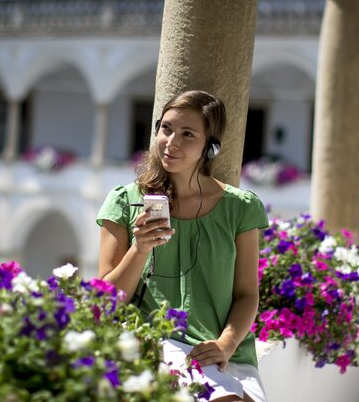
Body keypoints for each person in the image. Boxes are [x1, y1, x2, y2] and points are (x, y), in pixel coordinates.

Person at [96, 90, 268, 402]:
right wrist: (140, 248)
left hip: (224, 352)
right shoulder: (124, 201)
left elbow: (247, 294)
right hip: (156, 343)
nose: (171, 142)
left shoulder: (241, 208)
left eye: (187, 134)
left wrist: (227, 343)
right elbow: (107, 300)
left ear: (211, 146)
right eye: (166, 129)